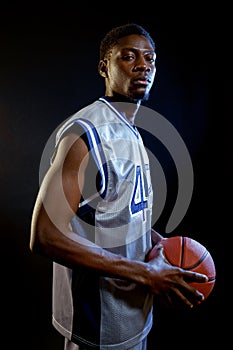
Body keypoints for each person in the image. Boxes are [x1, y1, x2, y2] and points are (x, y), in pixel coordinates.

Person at [30, 23, 207, 350]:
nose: (143, 65)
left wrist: (157, 244)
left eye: (150, 59)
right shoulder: (85, 134)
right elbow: (46, 235)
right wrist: (144, 274)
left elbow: (116, 215)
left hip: (135, 318)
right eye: (129, 57)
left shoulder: (131, 132)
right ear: (104, 67)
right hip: (96, 328)